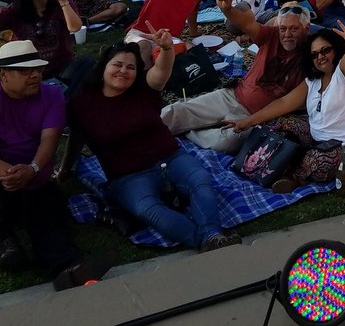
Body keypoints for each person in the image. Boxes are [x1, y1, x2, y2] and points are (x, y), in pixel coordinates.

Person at [0, 40, 115, 290]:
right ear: (3, 75)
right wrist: (7, 173)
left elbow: (50, 138)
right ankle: (8, 240)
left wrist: (33, 169)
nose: (35, 75)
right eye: (25, 71)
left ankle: (68, 268)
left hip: (33, 181)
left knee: (47, 211)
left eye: (36, 69)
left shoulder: (51, 95)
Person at [61, 37, 238, 252]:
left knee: (200, 182)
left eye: (131, 67)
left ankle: (213, 236)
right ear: (103, 67)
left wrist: (165, 48)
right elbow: (77, 136)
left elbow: (162, 72)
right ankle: (205, 240)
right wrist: (65, 168)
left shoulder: (143, 88)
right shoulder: (82, 104)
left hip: (170, 157)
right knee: (148, 209)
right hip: (128, 175)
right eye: (117, 65)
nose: (123, 71)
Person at [227, 22, 345, 194]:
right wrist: (248, 121)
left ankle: (293, 175)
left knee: (318, 161)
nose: (320, 57)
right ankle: (275, 161)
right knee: (279, 123)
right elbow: (283, 103)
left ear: (337, 49)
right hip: (316, 136)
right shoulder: (313, 81)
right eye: (314, 54)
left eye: (325, 50)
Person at [161, 0, 310, 152]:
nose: (287, 34)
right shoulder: (271, 35)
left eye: (294, 29)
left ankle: (188, 130)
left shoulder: (312, 55)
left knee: (225, 143)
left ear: (306, 29)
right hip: (233, 96)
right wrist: (227, 9)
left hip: (258, 116)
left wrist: (250, 121)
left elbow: (286, 102)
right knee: (173, 113)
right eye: (283, 28)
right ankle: (156, 132)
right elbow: (247, 24)